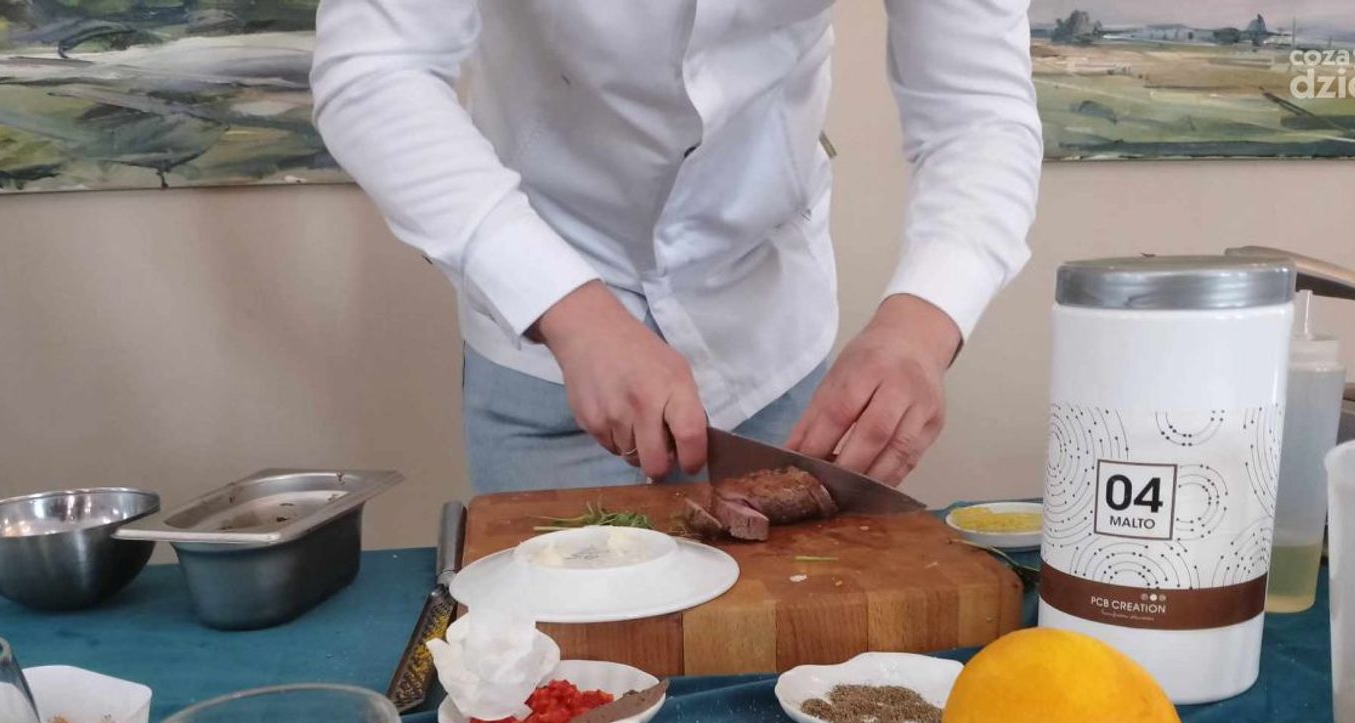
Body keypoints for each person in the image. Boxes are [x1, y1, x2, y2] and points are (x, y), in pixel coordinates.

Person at [311, 2, 1041, 492]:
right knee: (563, 663)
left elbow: (979, 112)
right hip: (548, 329)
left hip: (771, 338)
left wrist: (919, 328)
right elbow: (375, 71)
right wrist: (569, 309)